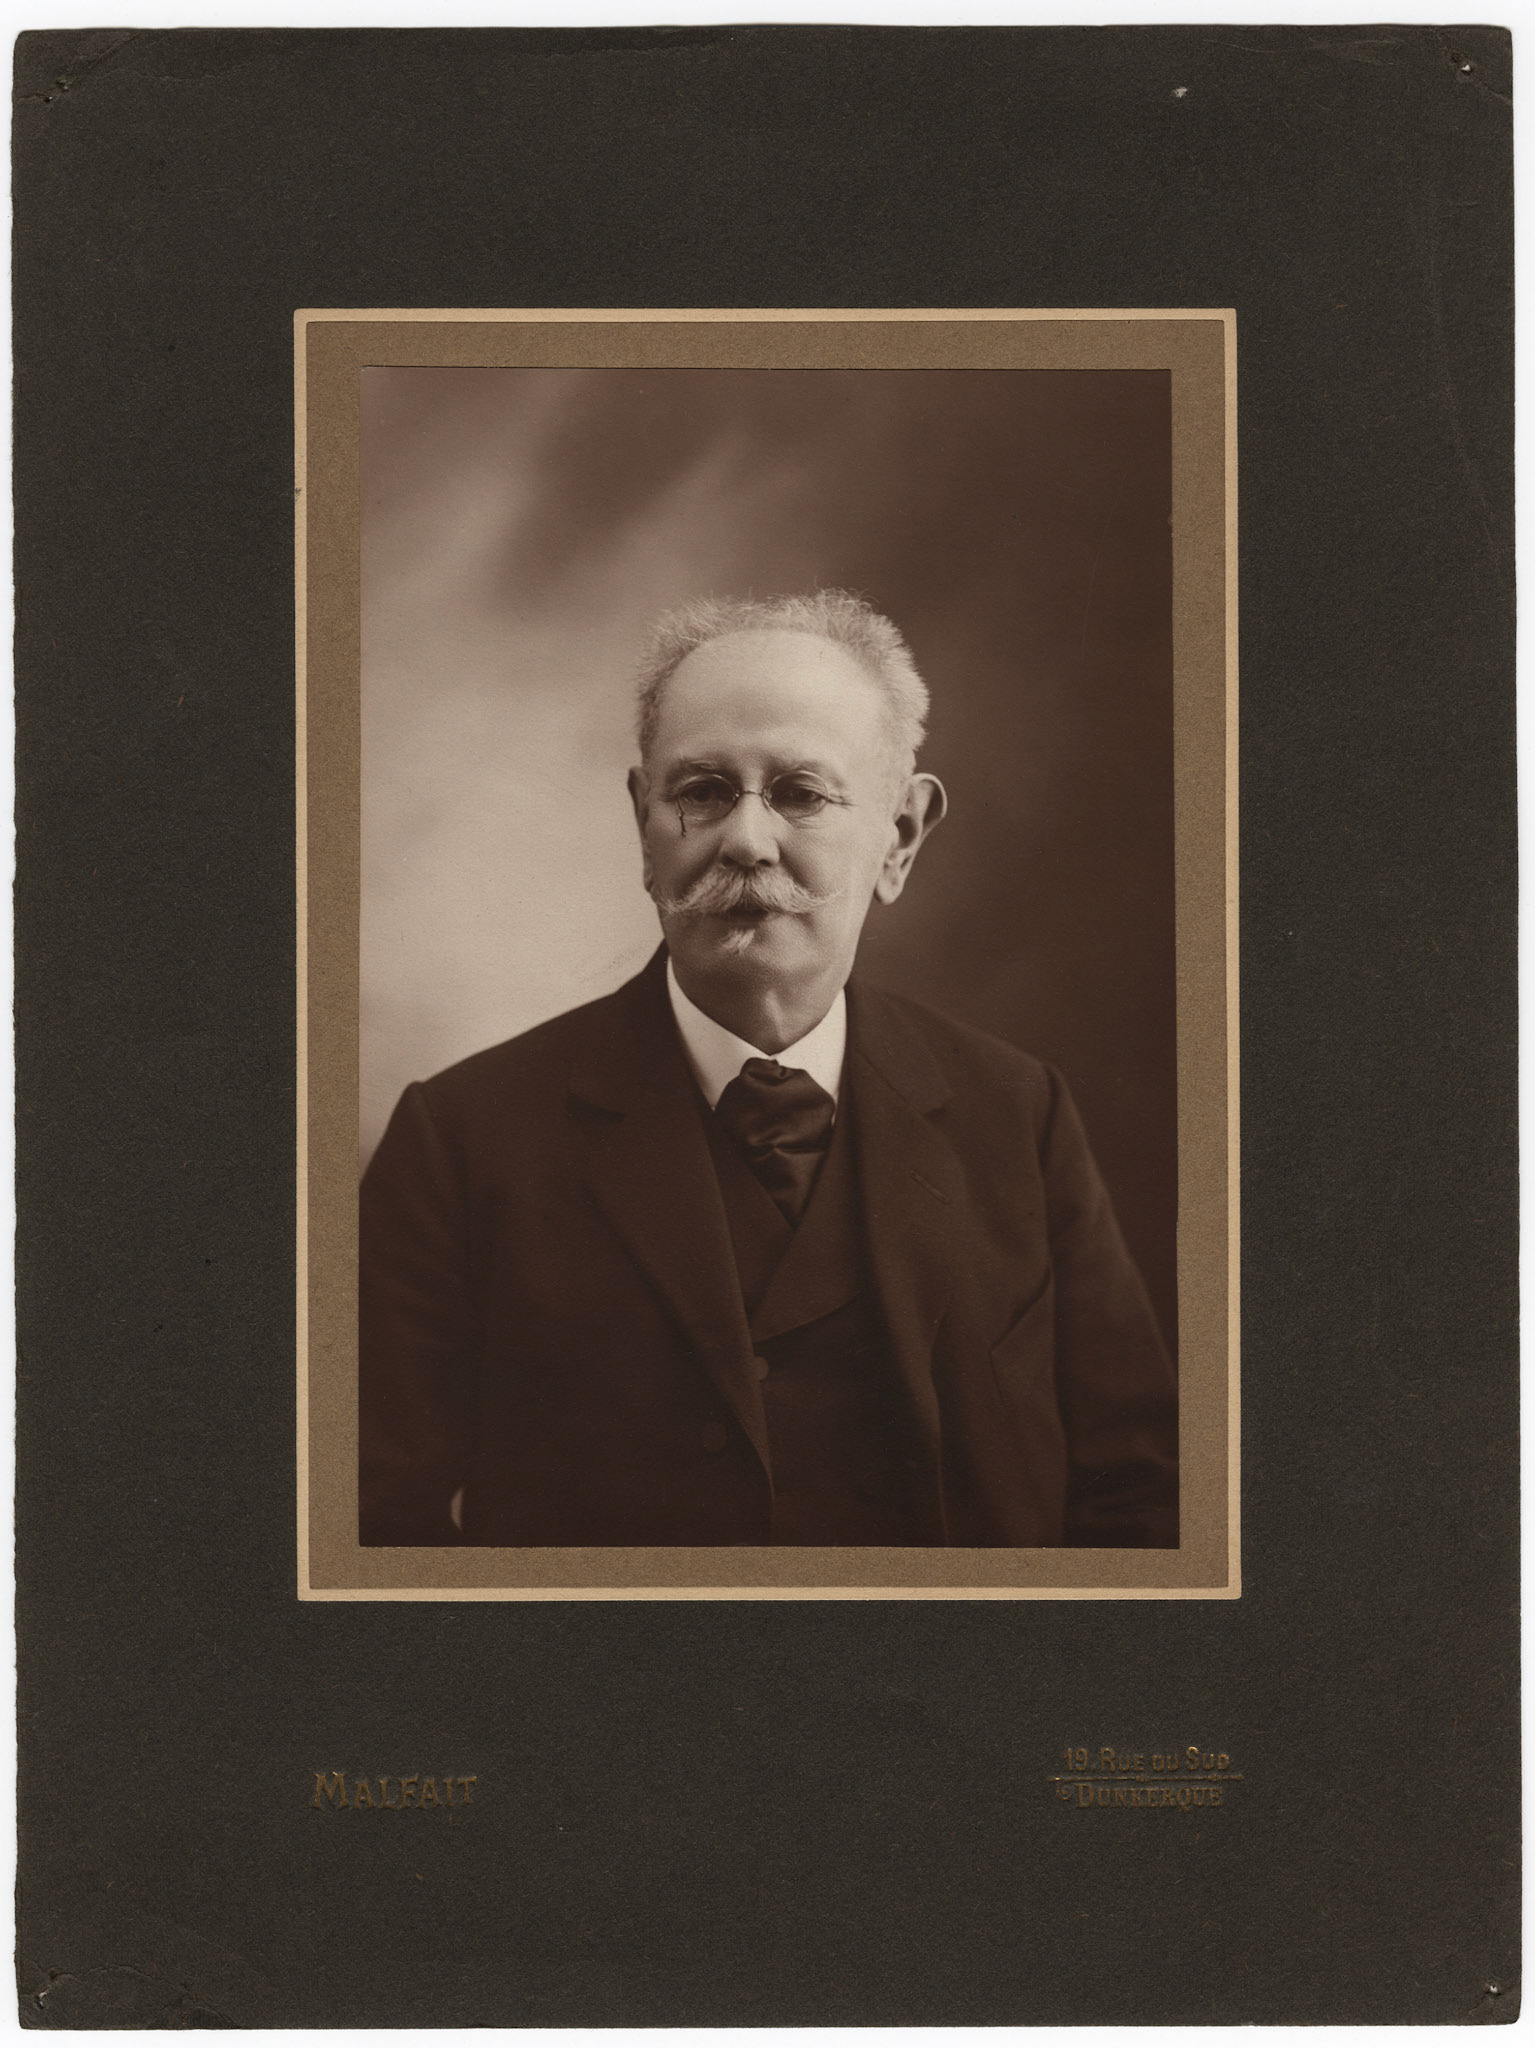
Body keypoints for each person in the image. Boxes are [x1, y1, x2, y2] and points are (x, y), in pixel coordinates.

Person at [359, 590, 1177, 1548]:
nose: (746, 841)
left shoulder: (1018, 1115)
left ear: (900, 837)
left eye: (800, 793)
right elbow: (368, 1531)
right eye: (703, 792)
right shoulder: (461, 1141)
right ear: (643, 824)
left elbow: (1141, 1502)